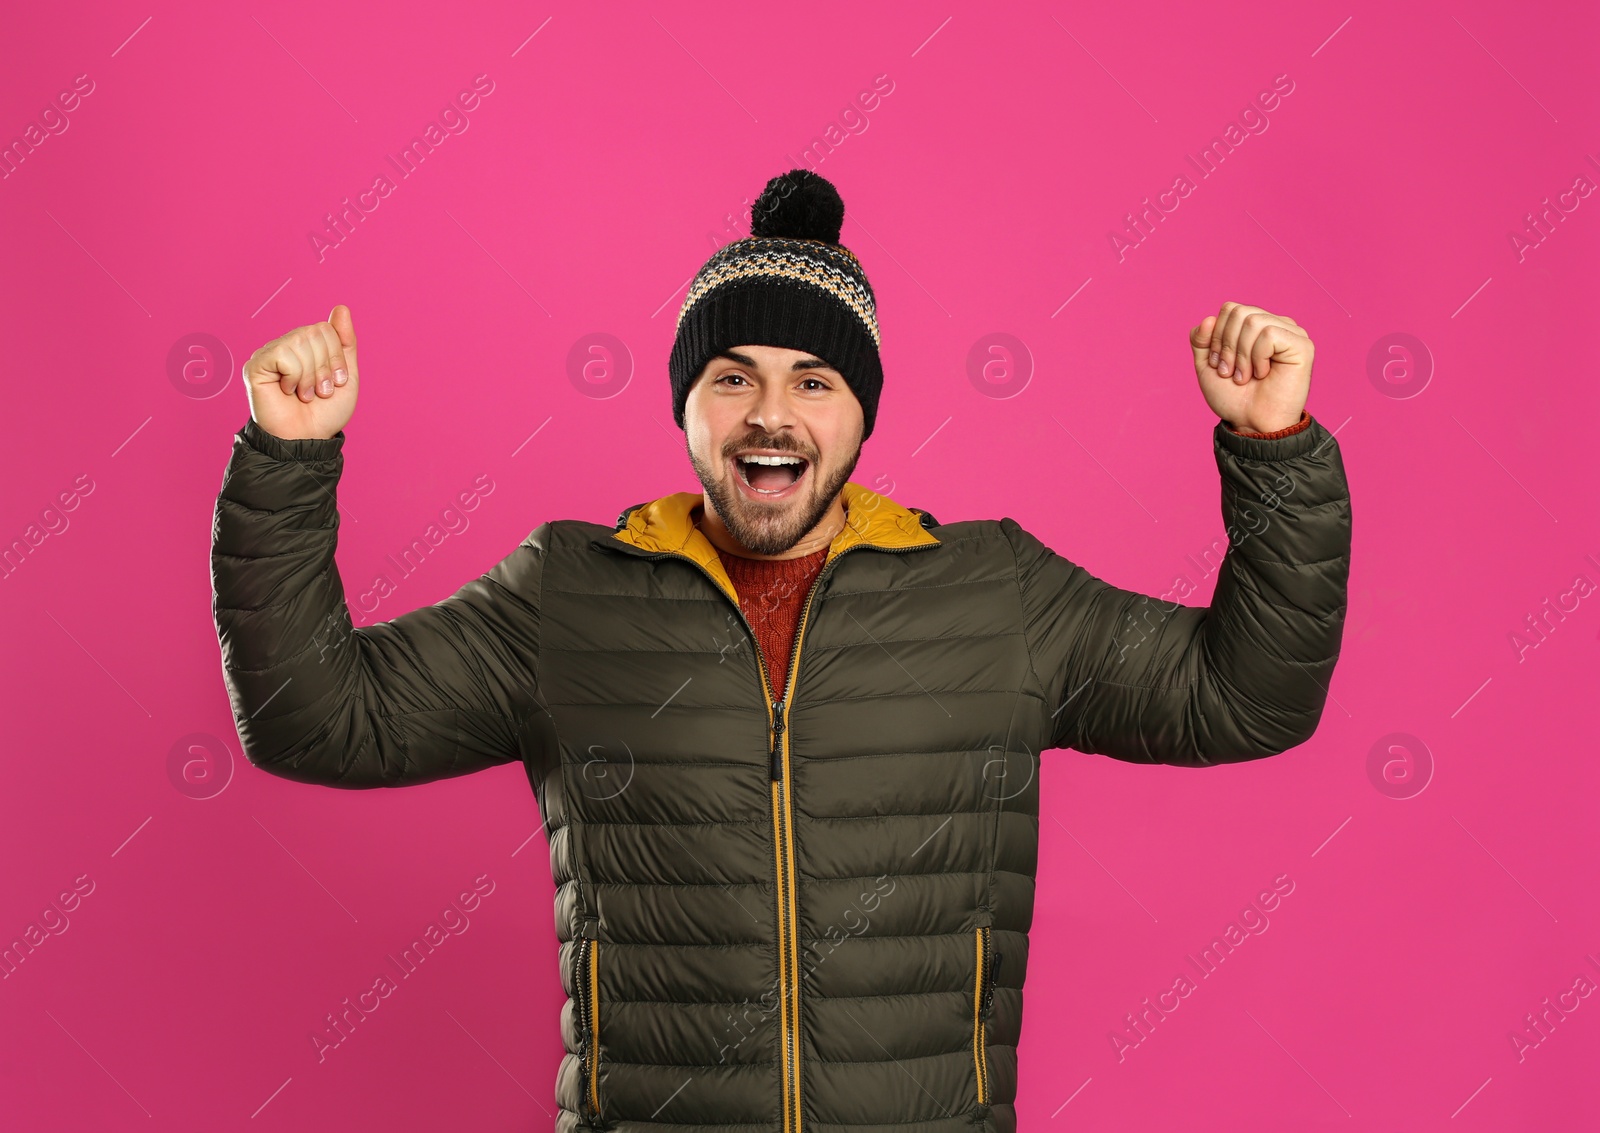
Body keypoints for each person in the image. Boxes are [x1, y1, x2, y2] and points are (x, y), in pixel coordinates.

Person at [211, 168, 1351, 1132]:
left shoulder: (996, 591)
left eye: (813, 381)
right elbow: (320, 719)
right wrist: (287, 460)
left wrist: (1274, 446)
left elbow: (1243, 698)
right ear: (685, 407)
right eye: (731, 377)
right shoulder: (566, 593)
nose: (771, 415)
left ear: (861, 411)